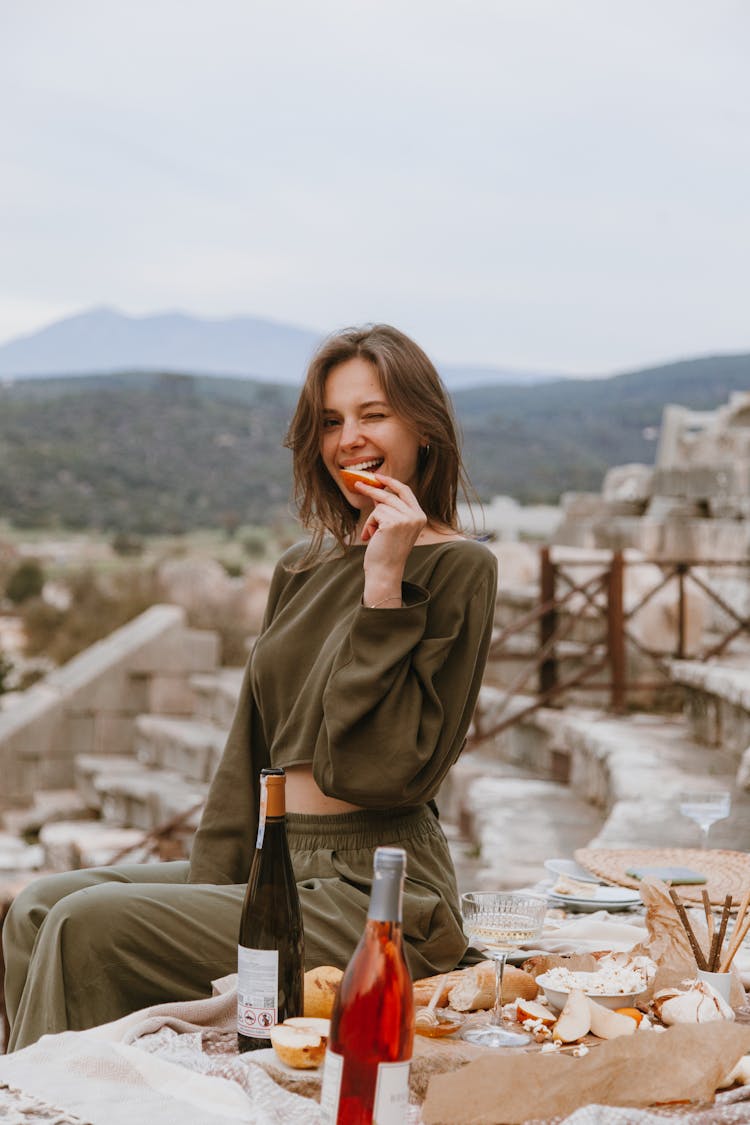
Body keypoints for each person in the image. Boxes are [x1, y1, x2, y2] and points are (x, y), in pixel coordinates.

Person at [3, 324, 497, 1051]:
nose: (348, 438)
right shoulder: (302, 566)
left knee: (87, 924)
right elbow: (251, 750)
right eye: (331, 421)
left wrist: (385, 585)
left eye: (373, 414)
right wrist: (209, 884)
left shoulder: (460, 571)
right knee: (40, 905)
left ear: (424, 427)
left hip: (378, 886)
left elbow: (376, 770)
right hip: (278, 861)